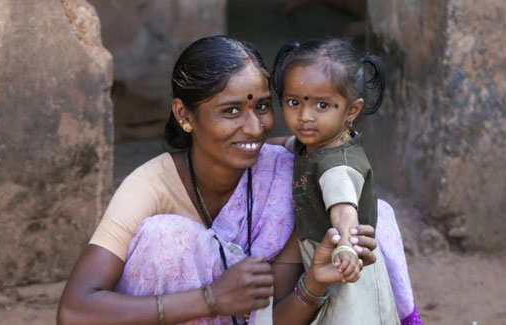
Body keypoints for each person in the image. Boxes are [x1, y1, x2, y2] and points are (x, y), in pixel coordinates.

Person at [57, 35, 380, 325]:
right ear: (184, 115)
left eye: (264, 107)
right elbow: (75, 312)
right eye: (231, 111)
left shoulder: (285, 176)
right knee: (167, 237)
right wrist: (210, 299)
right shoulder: (149, 186)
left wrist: (313, 284)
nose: (255, 127)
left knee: (377, 213)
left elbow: (271, 321)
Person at [270, 38, 420, 324]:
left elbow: (344, 212)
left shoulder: (336, 168)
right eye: (293, 102)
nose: (304, 116)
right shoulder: (317, 142)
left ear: (351, 110)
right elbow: (285, 144)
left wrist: (347, 249)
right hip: (323, 262)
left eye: (322, 105)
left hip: (346, 271)